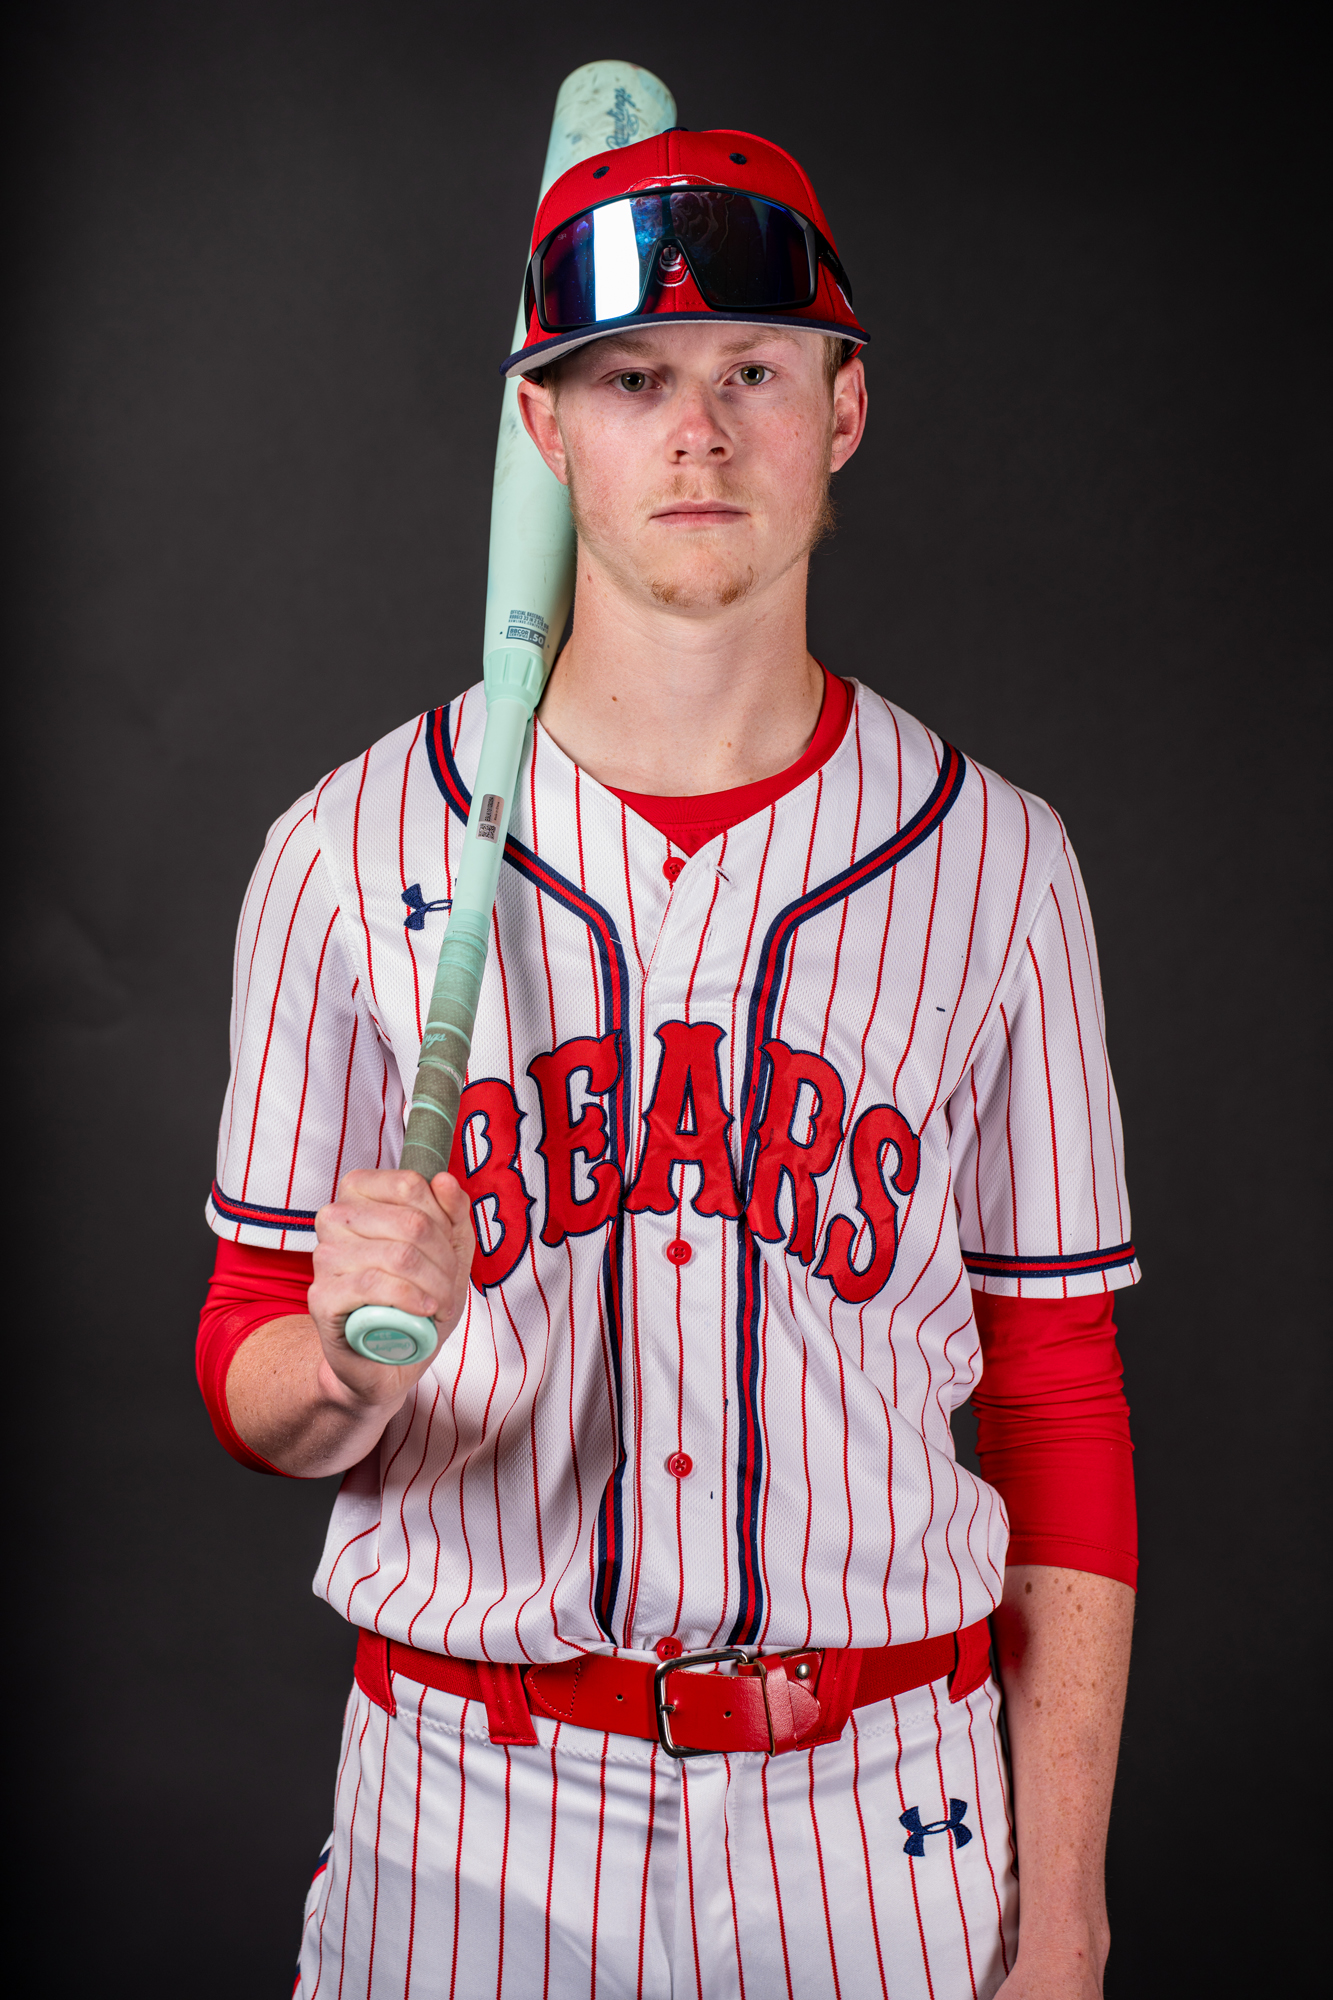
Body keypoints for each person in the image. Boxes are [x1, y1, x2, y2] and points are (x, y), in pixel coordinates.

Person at [199, 125, 1138, 2000]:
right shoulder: (342, 851)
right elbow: (252, 1371)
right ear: (542, 430)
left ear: (842, 410)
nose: (696, 434)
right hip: (463, 1811)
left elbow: (1053, 1393)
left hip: (883, 1820)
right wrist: (342, 1360)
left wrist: (1067, 1912)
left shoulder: (999, 864)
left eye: (752, 372)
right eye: (630, 380)